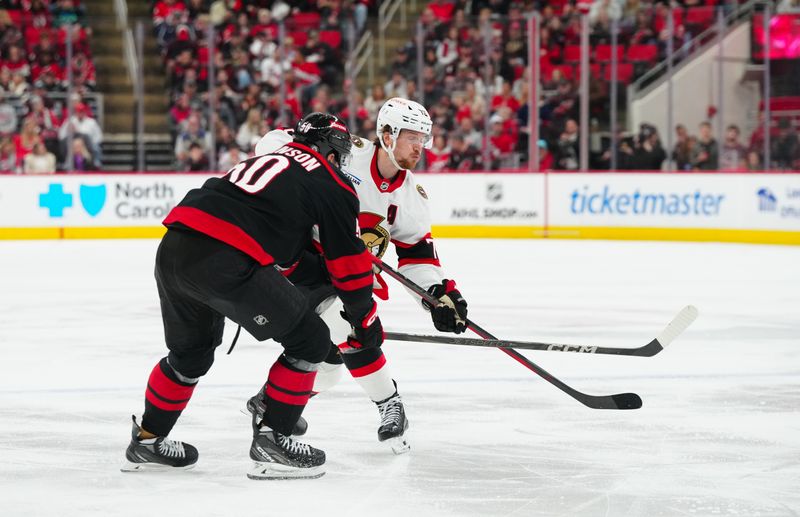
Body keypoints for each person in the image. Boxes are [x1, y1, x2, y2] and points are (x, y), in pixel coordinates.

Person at [122, 113, 382, 480]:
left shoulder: (269, 160)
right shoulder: (332, 181)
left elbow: (288, 255)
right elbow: (350, 265)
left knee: (189, 357)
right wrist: (364, 318)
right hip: (225, 257)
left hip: (175, 248)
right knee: (311, 342)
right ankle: (273, 441)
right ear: (331, 149)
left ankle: (147, 441)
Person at [251, 98, 469, 454]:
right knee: (349, 327)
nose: (420, 147)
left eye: (424, 139)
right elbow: (273, 143)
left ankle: (269, 400)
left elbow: (416, 253)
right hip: (302, 263)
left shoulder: (410, 195)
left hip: (346, 274)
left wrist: (438, 296)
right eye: (412, 136)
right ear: (387, 134)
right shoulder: (347, 152)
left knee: (329, 367)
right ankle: (389, 403)